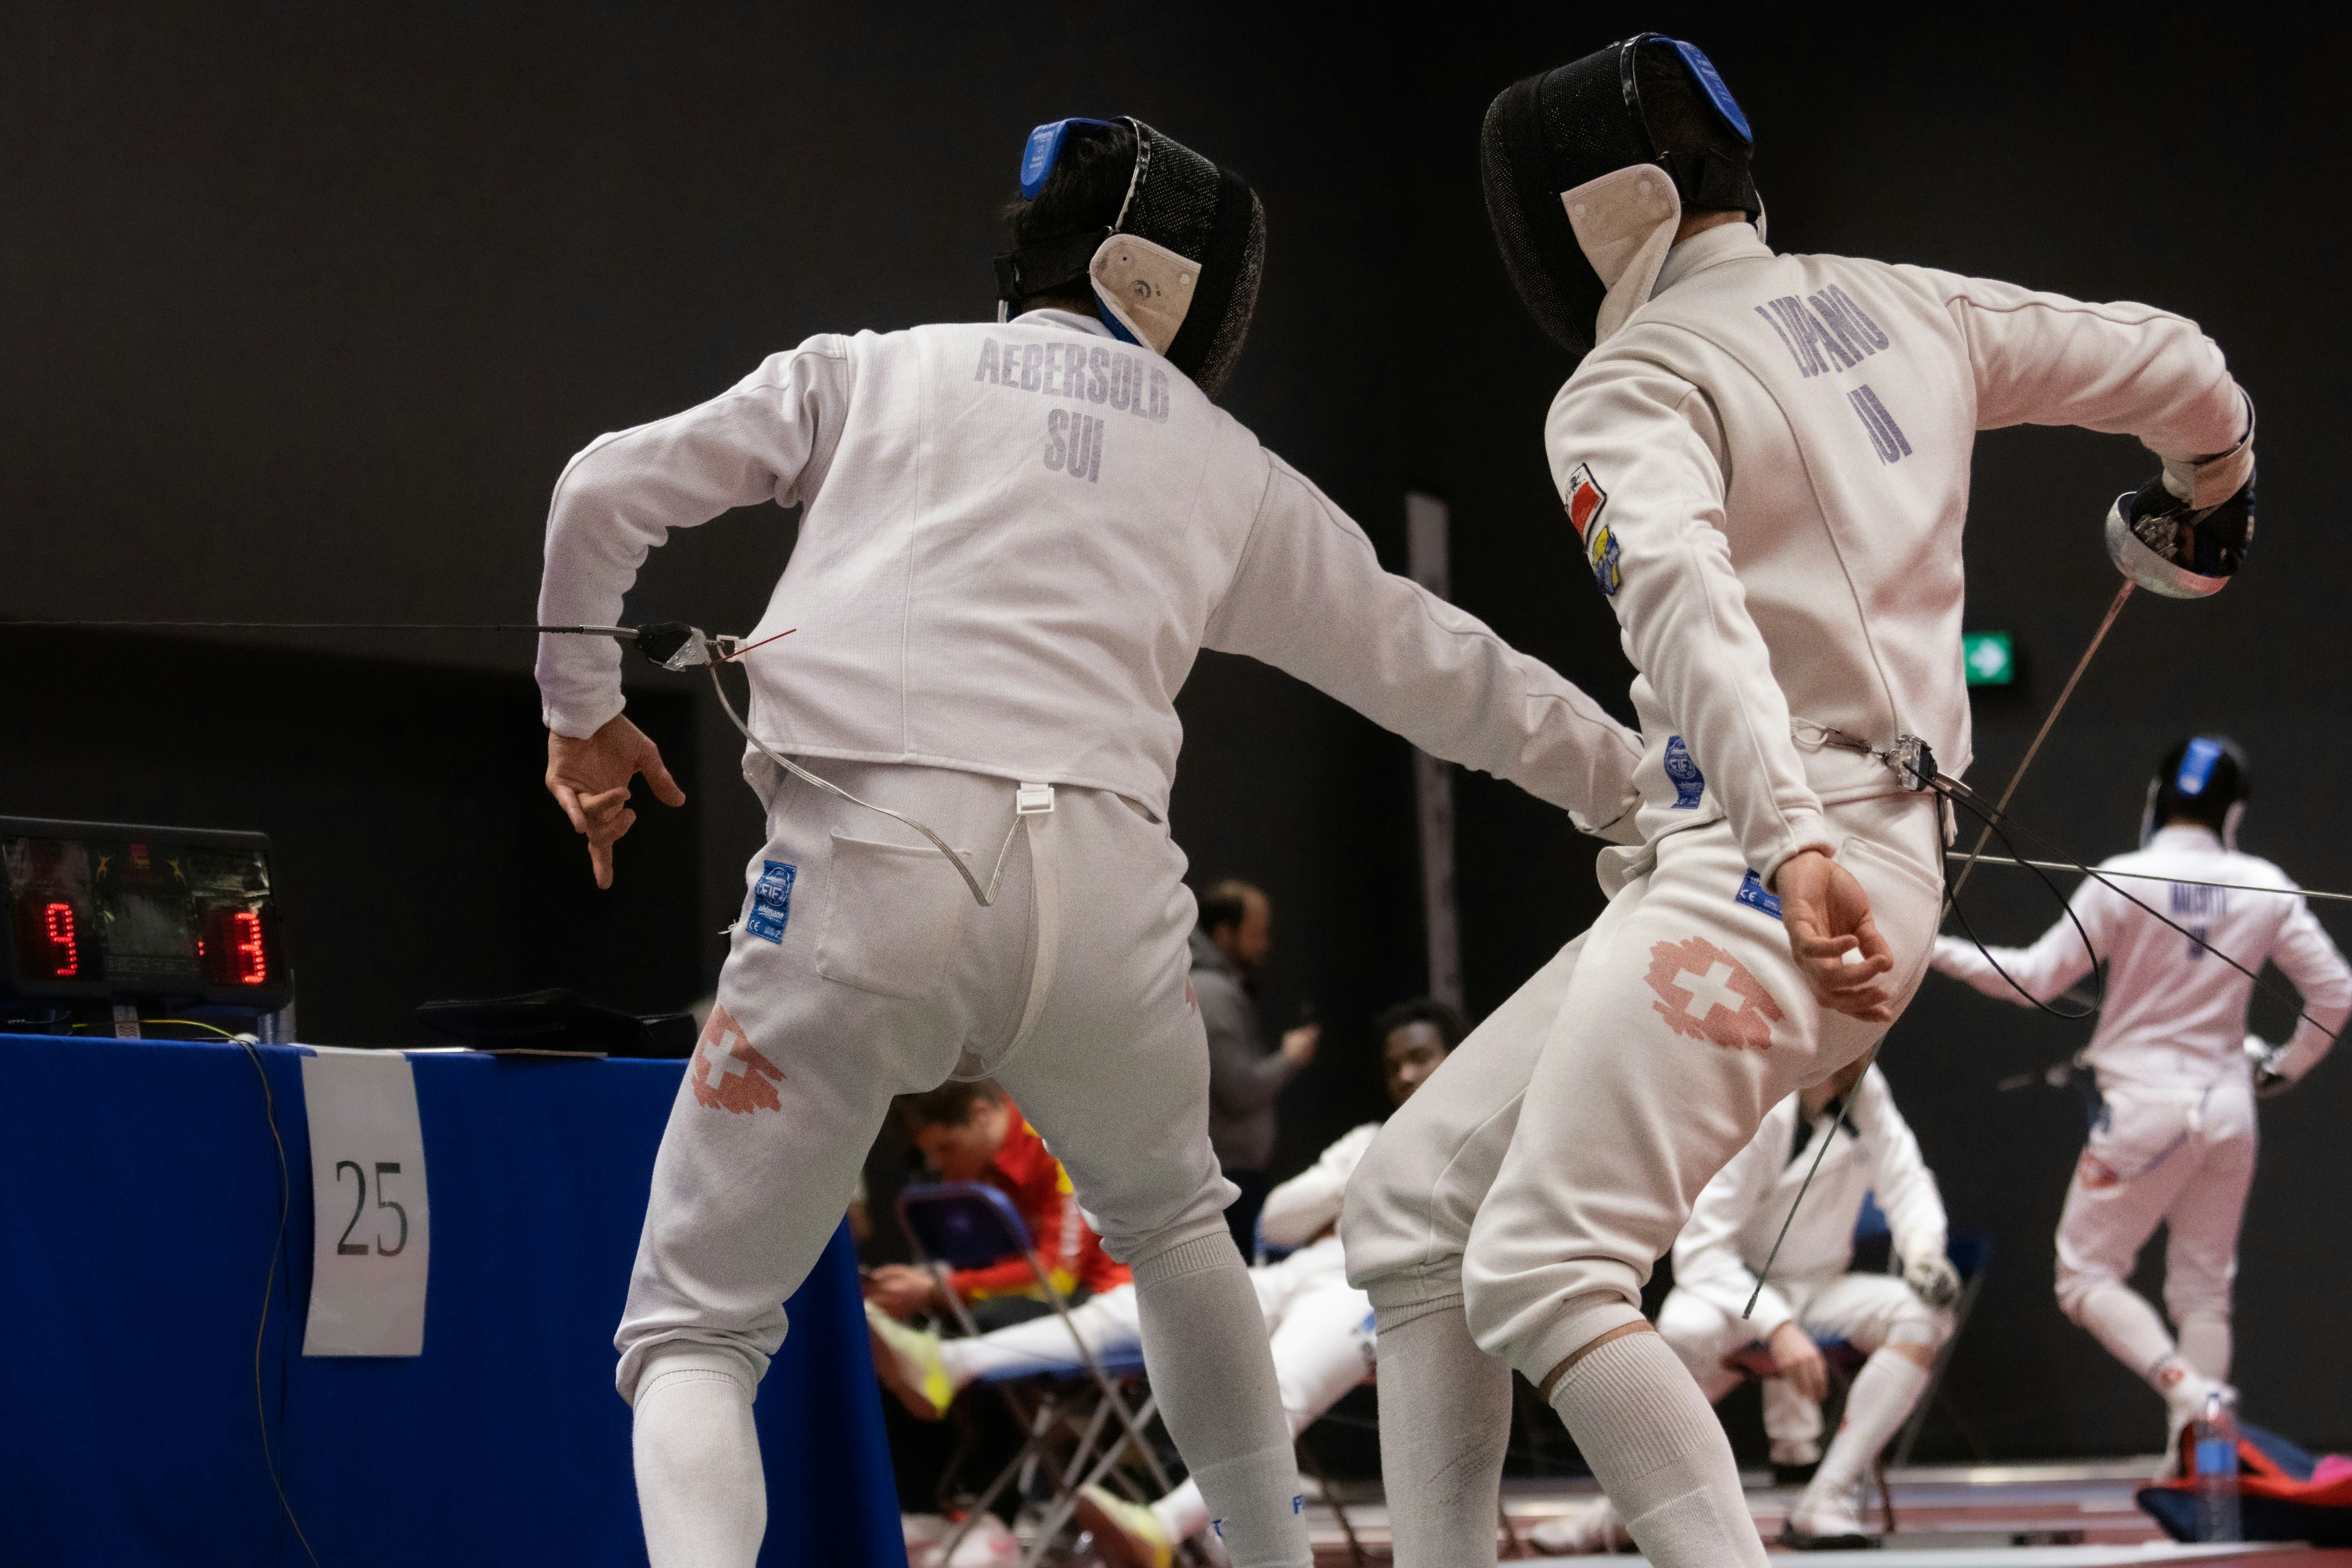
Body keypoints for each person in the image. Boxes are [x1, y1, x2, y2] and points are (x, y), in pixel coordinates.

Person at [533, 113, 1644, 1568]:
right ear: (1187, 287)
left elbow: (601, 489)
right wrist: (1638, 792)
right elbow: (1434, 659)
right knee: (1179, 1233)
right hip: (1108, 907)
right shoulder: (1221, 462)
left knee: (698, 1327)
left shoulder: (875, 370)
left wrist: (583, 712)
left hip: (867, 870)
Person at [1343, 34, 2257, 1568]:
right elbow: (2172, 361)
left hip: (1783, 865)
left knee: (1545, 1265)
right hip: (1827, 856)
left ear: (1597, 215)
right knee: (1410, 1204)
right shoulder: (1907, 302)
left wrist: (1787, 838)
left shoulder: (1629, 377)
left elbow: (1685, 607)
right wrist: (2211, 492)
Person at [865, 997, 1472, 1568]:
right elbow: (1279, 1219)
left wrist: (1377, 1185)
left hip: (1402, 1289)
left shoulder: (1487, 1146)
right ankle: (953, 1363)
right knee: (1145, 1302)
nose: (1406, 1076)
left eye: (1420, 1058)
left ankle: (1164, 1524)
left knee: (1275, 1379)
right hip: (1302, 1272)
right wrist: (1376, 1169)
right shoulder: (1370, 1142)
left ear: (1464, 1059)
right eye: (1394, 1065)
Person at [1927, 737, 2350, 1464]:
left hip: (2143, 1112)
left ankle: (2190, 1393)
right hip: (2229, 1112)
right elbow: (2335, 993)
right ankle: (2204, 1463)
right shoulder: (2265, 883)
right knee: (2204, 1292)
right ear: (2234, 812)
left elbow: (2033, 977)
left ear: (2157, 797)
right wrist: (2285, 1068)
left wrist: (1928, 948)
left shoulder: (2124, 876)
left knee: (2084, 1276)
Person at [1535, 1059, 1957, 1553]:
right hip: (1732, 1290)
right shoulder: (1762, 1095)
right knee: (1685, 1329)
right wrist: (1778, 1327)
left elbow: (1907, 1179)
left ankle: (1826, 1497)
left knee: (1924, 1315)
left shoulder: (1866, 1086)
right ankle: (1624, 1508)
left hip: (1819, 1287)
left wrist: (1924, 1252)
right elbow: (1701, 1254)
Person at [865, 1082, 1130, 1329]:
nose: (937, 1165)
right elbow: (974, 1261)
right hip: (1048, 1296)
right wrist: (924, 1283)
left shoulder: (1054, 1145)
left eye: (946, 1148)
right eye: (928, 1154)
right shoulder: (972, 1161)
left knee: (982, 1324)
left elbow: (1058, 1276)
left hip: (1109, 1292)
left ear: (982, 1115)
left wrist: (938, 1289)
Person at [1191, 879, 1321, 1253]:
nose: (1265, 945)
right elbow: (1240, 1090)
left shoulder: (1211, 987)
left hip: (1229, 1175)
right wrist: (1290, 1058)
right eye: (1257, 934)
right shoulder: (1213, 992)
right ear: (1223, 934)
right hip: (1230, 1180)